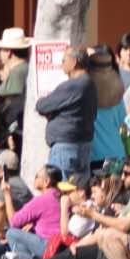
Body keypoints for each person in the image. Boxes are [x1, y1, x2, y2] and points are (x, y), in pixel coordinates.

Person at [36, 48, 97, 180]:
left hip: (66, 148)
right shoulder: (90, 84)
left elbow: (42, 106)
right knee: (77, 188)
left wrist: (49, 109)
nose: (61, 64)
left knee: (61, 187)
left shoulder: (74, 85)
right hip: (81, 146)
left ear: (74, 62)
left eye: (63, 60)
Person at [87, 44, 127, 170]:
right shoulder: (116, 94)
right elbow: (122, 123)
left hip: (95, 157)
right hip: (116, 154)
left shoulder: (85, 93)